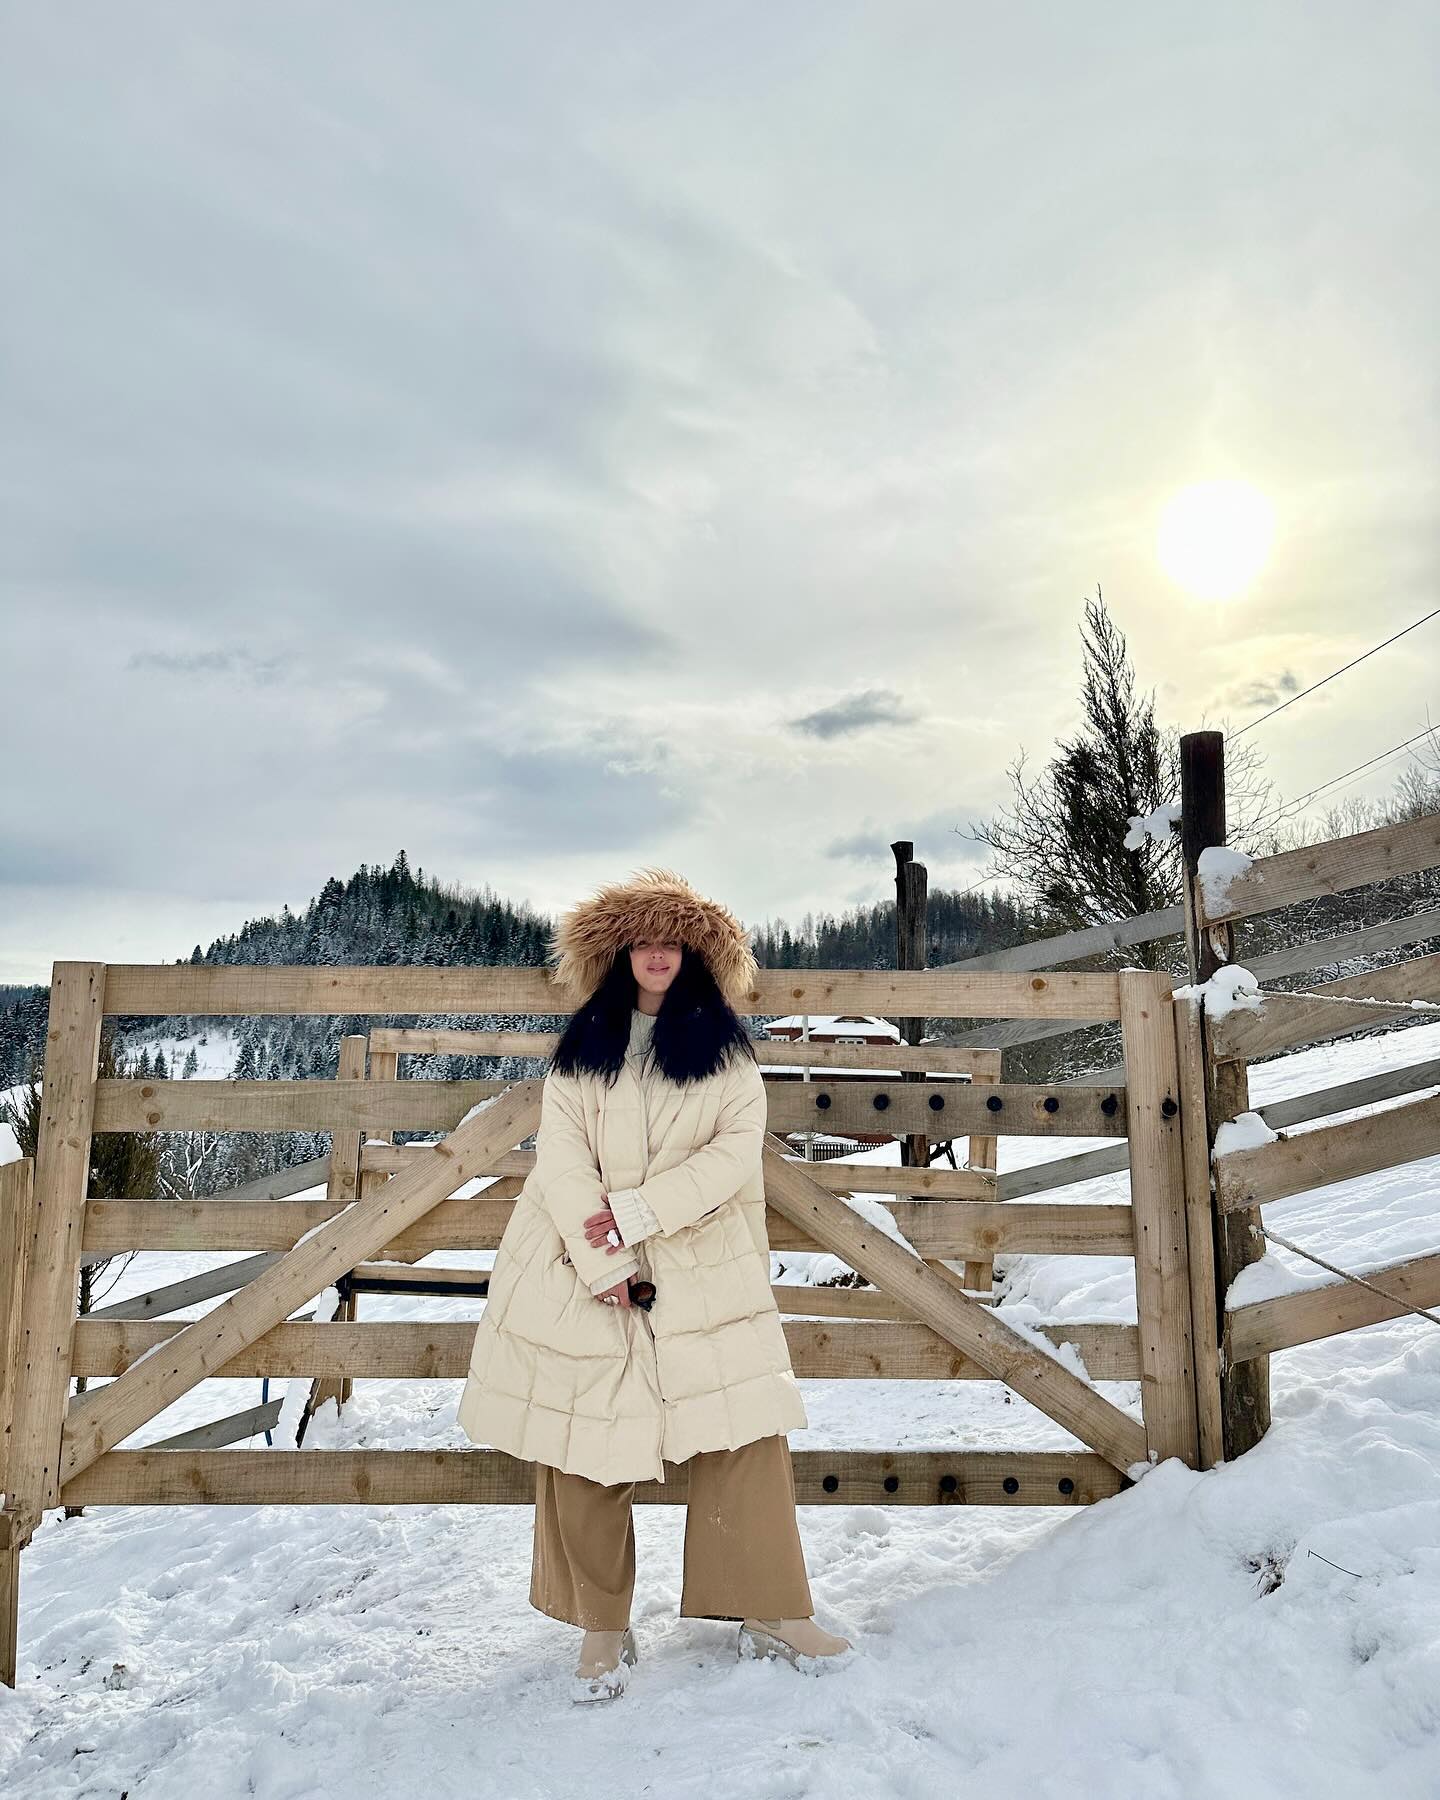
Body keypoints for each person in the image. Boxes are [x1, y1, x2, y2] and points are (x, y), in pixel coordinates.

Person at [457, 867, 853, 1702]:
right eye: (642, 941)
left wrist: (641, 1213)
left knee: (744, 1431)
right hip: (581, 1264)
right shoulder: (582, 1052)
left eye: (671, 941)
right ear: (619, 954)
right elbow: (561, 1161)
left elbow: (734, 1152)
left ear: (695, 955)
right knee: (582, 1442)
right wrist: (604, 1261)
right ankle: (601, 1623)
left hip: (704, 1260)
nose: (657, 954)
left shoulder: (726, 1054)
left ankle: (772, 1609)